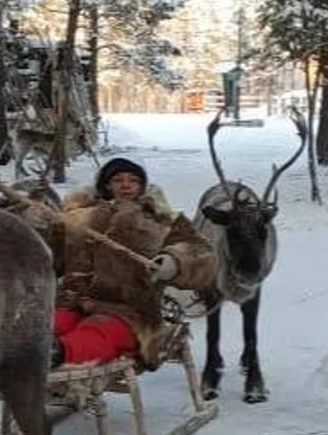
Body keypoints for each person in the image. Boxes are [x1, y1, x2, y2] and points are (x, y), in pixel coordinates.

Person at [50, 157, 217, 369]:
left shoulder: (161, 220)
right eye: (118, 180)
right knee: (50, 325)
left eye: (133, 180)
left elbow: (200, 251)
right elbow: (49, 251)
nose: (126, 185)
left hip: (130, 312)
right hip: (74, 303)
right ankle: (24, 353)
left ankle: (57, 354)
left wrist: (174, 261)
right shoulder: (78, 218)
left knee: (97, 332)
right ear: (107, 185)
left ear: (142, 186)